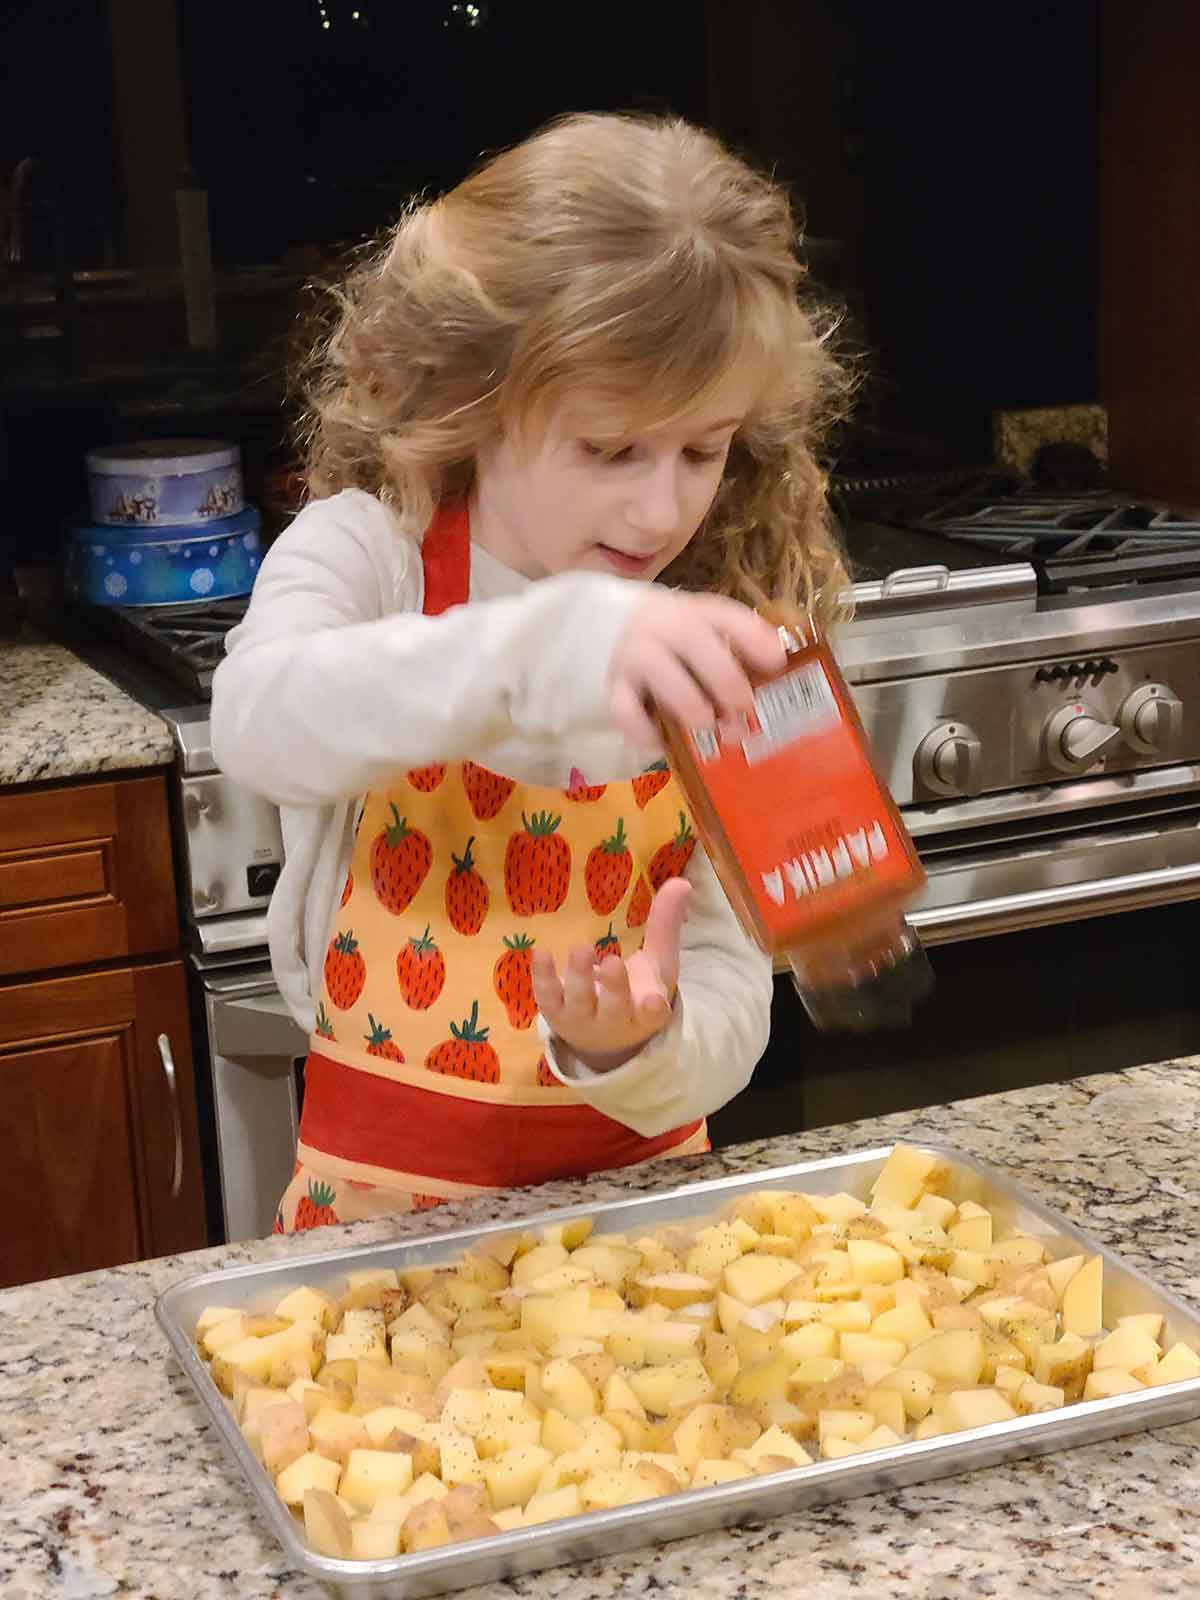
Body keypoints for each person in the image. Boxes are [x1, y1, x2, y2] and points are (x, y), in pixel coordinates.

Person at [210, 112, 850, 1233]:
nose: (660, 511)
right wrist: (547, 647)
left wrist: (642, 1047)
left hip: (641, 1240)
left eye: (702, 449)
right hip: (378, 1243)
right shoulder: (372, 554)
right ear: (474, 394)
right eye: (611, 448)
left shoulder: (724, 629)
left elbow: (731, 979)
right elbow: (263, 720)